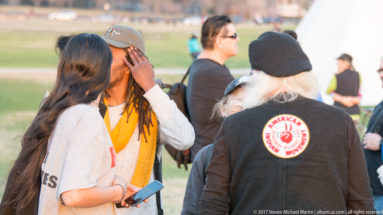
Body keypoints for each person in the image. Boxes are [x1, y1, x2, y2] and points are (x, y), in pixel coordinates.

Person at [200, 32, 374, 214]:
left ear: (258, 76)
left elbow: (214, 200)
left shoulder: (234, 125)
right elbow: (360, 200)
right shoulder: (340, 121)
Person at [0, 33, 136, 215]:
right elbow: (72, 195)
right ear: (102, 71)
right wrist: (118, 191)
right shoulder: (86, 118)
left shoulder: (56, 109)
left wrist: (111, 182)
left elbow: (63, 175)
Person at [101, 25, 195, 215]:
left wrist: (150, 87)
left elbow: (185, 139)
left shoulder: (151, 107)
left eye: (108, 56)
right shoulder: (87, 105)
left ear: (134, 62)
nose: (99, 62)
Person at [181, 75, 250, 215]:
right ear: (223, 110)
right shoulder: (206, 156)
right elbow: (191, 210)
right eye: (239, 102)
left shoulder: (272, 156)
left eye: (254, 103)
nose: (246, 108)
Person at [186, 15, 238, 161]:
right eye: (233, 36)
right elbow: (250, 107)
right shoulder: (212, 72)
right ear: (219, 41)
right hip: (213, 162)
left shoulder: (203, 65)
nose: (237, 39)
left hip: (207, 157)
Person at [363, 57, 383, 211]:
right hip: (373, 191)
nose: (381, 74)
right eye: (380, 70)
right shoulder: (380, 105)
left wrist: (381, 144)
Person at [326, 53, 361, 122]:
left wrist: (342, 99)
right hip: (354, 114)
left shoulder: (336, 77)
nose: (337, 64)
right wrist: (350, 100)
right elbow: (359, 93)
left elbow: (328, 91)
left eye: (339, 62)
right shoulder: (358, 75)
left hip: (339, 114)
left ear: (347, 63)